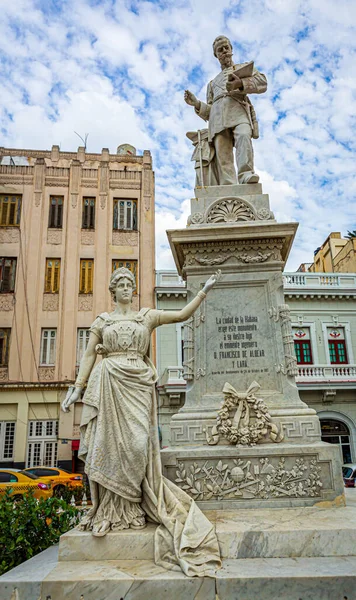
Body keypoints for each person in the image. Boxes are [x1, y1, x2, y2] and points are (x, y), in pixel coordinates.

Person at [61, 266, 221, 577]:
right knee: (106, 447)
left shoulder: (145, 316)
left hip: (136, 385)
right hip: (108, 383)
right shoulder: (103, 321)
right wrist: (77, 389)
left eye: (129, 284)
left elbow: (181, 316)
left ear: (133, 289)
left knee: (135, 446)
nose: (125, 288)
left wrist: (204, 290)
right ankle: (110, 510)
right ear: (112, 290)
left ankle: (131, 505)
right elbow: (88, 357)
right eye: (120, 284)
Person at [184, 35, 267, 185]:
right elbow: (210, 110)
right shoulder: (212, 83)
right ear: (216, 55)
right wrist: (196, 104)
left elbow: (262, 82)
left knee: (243, 136)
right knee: (223, 154)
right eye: (220, 50)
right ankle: (228, 185)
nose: (224, 51)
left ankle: (246, 175)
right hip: (217, 119)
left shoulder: (244, 68)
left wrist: (240, 83)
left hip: (238, 111)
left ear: (231, 49)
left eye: (226, 48)